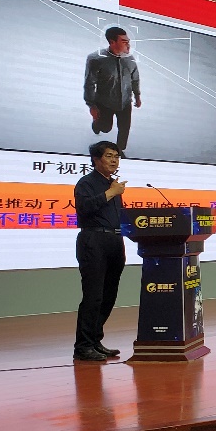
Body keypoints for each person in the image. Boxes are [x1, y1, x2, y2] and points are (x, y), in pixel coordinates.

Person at [72, 141, 128, 361]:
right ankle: (83, 346)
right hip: (93, 240)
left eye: (117, 156)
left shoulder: (113, 185)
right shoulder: (86, 183)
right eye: (109, 156)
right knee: (93, 296)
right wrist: (111, 193)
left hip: (115, 240)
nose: (114, 160)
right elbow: (84, 208)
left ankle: (95, 341)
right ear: (96, 159)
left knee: (108, 295)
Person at [84, 27, 141, 157]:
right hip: (105, 102)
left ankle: (120, 150)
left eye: (128, 41)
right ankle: (97, 124)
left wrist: (137, 95)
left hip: (125, 102)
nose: (128, 45)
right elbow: (89, 83)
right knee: (106, 128)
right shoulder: (96, 59)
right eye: (124, 42)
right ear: (112, 42)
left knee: (124, 128)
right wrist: (91, 105)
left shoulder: (131, 60)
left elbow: (135, 79)